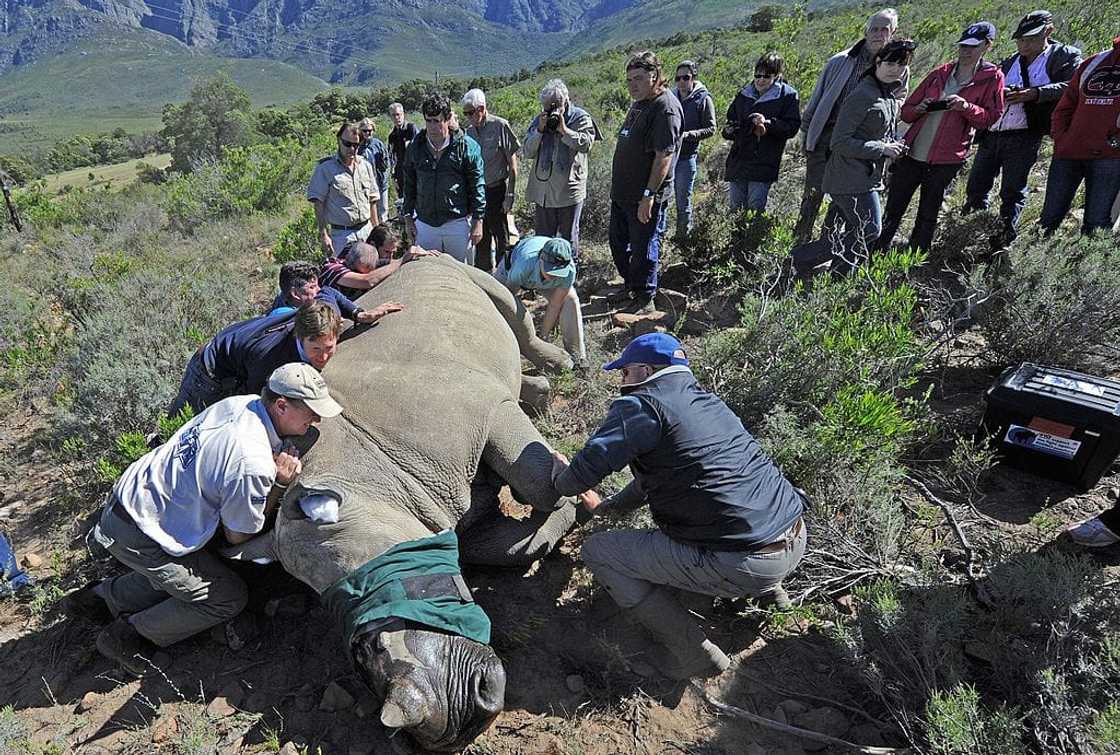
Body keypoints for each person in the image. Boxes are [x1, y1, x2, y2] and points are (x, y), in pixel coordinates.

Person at [551, 333, 806, 680]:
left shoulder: (641, 405)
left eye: (623, 373)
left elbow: (576, 479)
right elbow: (664, 476)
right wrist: (609, 507)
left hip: (744, 561)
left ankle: (694, 653)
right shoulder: (708, 402)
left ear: (643, 370)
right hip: (795, 536)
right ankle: (771, 596)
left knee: (598, 551)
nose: (622, 381)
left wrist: (559, 471)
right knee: (737, 503)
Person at [62, 363, 343, 675]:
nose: (316, 419)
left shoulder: (241, 403)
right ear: (281, 405)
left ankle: (98, 601)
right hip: (144, 530)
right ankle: (130, 636)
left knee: (177, 572)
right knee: (227, 597)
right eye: (311, 412)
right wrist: (278, 484)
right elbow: (239, 536)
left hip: (133, 500)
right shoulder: (251, 461)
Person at [875, 22, 1005, 254]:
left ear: (987, 46)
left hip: (947, 160)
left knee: (928, 213)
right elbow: (906, 111)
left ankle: (914, 259)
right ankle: (876, 250)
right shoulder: (940, 73)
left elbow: (990, 118)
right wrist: (920, 109)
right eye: (963, 45)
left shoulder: (992, 78)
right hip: (913, 153)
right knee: (894, 209)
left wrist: (966, 107)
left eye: (972, 47)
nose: (965, 51)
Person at [962, 11, 1082, 249]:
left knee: (1012, 191)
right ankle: (971, 236)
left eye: (1029, 39)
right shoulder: (1009, 62)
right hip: (994, 132)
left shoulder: (1064, 56)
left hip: (1024, 134)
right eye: (1020, 40)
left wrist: (1034, 94)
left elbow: (1071, 85)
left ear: (1048, 33)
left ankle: (1002, 242)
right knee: (976, 188)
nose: (1023, 44)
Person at [795, 8, 905, 244]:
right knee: (813, 194)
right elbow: (818, 99)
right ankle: (798, 245)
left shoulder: (896, 67)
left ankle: (828, 247)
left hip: (861, 143)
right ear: (866, 32)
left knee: (843, 198)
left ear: (893, 32)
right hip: (827, 136)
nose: (878, 34)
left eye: (884, 29)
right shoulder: (841, 61)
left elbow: (895, 106)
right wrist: (807, 135)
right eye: (873, 29)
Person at [821, 40, 913, 275]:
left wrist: (892, 145)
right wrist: (882, 148)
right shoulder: (863, 93)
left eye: (901, 64)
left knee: (849, 232)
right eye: (890, 62)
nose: (895, 69)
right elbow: (839, 142)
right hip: (849, 177)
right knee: (870, 228)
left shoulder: (888, 93)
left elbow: (879, 131)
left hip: (865, 175)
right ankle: (832, 277)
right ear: (878, 62)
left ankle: (828, 276)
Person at [167, 301, 348, 416]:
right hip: (208, 372)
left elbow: (330, 293)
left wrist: (356, 312)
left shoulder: (317, 314)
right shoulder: (270, 358)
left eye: (329, 348)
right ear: (299, 337)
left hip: (240, 352)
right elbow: (257, 400)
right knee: (183, 422)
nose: (323, 356)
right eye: (316, 349)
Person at [609, 51, 683, 315]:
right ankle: (631, 285)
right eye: (629, 80)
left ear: (654, 76)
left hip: (644, 195)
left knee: (644, 246)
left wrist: (649, 194)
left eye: (638, 79)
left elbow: (664, 156)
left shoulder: (665, 108)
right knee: (618, 243)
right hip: (622, 193)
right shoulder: (640, 103)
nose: (632, 85)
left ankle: (645, 296)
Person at [1039, 34, 1120, 236]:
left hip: (1110, 158)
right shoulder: (1094, 62)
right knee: (1049, 219)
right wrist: (1061, 139)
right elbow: (1065, 106)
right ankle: (1035, 262)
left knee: (1097, 223)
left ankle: (1089, 268)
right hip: (1069, 153)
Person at [402, 94, 486, 264]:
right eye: (429, 120)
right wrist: (408, 217)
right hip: (425, 224)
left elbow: (477, 186)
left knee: (462, 274)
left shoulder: (466, 147)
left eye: (437, 121)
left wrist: (478, 221)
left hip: (458, 222)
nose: (433, 126)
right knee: (425, 273)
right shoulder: (415, 148)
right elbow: (409, 184)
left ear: (448, 119)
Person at [522, 79, 601, 261]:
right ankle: (544, 279)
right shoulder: (539, 120)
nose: (551, 111)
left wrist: (564, 130)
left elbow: (586, 144)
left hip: (568, 192)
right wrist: (540, 131)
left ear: (565, 101)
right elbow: (527, 151)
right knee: (542, 241)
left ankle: (568, 280)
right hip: (544, 194)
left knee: (568, 241)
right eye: (547, 107)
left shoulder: (580, 117)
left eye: (554, 106)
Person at [723, 51, 802, 212]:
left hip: (764, 162)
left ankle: (751, 237)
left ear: (777, 75)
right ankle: (735, 238)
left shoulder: (787, 95)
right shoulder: (744, 93)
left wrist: (767, 123)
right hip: (739, 160)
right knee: (734, 211)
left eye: (766, 76)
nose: (760, 80)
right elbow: (731, 119)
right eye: (757, 75)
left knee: (754, 209)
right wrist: (732, 129)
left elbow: (791, 127)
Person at [496, 236, 586, 361]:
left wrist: (542, 339)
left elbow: (555, 305)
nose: (553, 275)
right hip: (511, 272)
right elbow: (508, 297)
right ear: (541, 259)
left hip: (541, 280)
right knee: (497, 302)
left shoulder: (569, 271)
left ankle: (577, 356)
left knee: (571, 300)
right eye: (550, 270)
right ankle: (503, 348)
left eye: (558, 272)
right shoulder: (524, 263)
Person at [462, 89, 521, 272]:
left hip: (497, 189)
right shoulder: (469, 132)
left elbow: (512, 166)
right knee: (481, 237)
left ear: (482, 108)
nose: (469, 117)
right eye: (466, 114)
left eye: (471, 112)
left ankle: (505, 275)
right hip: (478, 192)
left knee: (501, 237)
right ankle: (485, 279)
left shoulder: (500, 126)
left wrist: (510, 195)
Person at [308, 122, 381, 258]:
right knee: (347, 276)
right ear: (339, 140)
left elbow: (372, 200)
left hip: (367, 230)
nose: (352, 149)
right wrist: (324, 235)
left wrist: (376, 230)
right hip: (342, 236)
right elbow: (318, 204)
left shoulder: (365, 166)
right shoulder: (325, 169)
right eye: (347, 144)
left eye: (356, 145)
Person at [269, 260, 403, 325]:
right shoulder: (282, 316)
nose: (318, 291)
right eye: (312, 287)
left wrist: (359, 314)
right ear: (295, 294)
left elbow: (331, 294)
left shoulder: (319, 295)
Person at [319, 228, 437, 299]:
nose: (389, 255)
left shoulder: (365, 259)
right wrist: (403, 259)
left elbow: (389, 263)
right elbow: (367, 280)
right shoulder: (332, 268)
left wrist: (416, 253)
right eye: (386, 251)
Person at [672, 60, 717, 237]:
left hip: (686, 157)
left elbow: (711, 128)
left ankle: (683, 237)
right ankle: (662, 238)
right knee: (665, 199)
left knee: (683, 200)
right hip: (668, 157)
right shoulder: (672, 96)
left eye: (686, 77)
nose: (682, 81)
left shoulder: (703, 99)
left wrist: (688, 135)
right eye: (678, 78)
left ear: (693, 78)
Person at [358, 117, 391, 224]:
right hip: (365, 186)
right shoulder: (357, 146)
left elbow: (386, 163)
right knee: (370, 214)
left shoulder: (378, 144)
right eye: (365, 131)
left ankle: (384, 237)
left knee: (383, 213)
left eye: (370, 130)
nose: (368, 133)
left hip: (381, 183)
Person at [387, 103, 420, 200]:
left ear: (403, 114)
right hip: (400, 174)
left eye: (398, 114)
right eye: (393, 115)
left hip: (414, 173)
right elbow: (392, 157)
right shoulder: (392, 135)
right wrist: (393, 176)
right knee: (403, 203)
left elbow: (419, 151)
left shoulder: (411, 129)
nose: (397, 117)